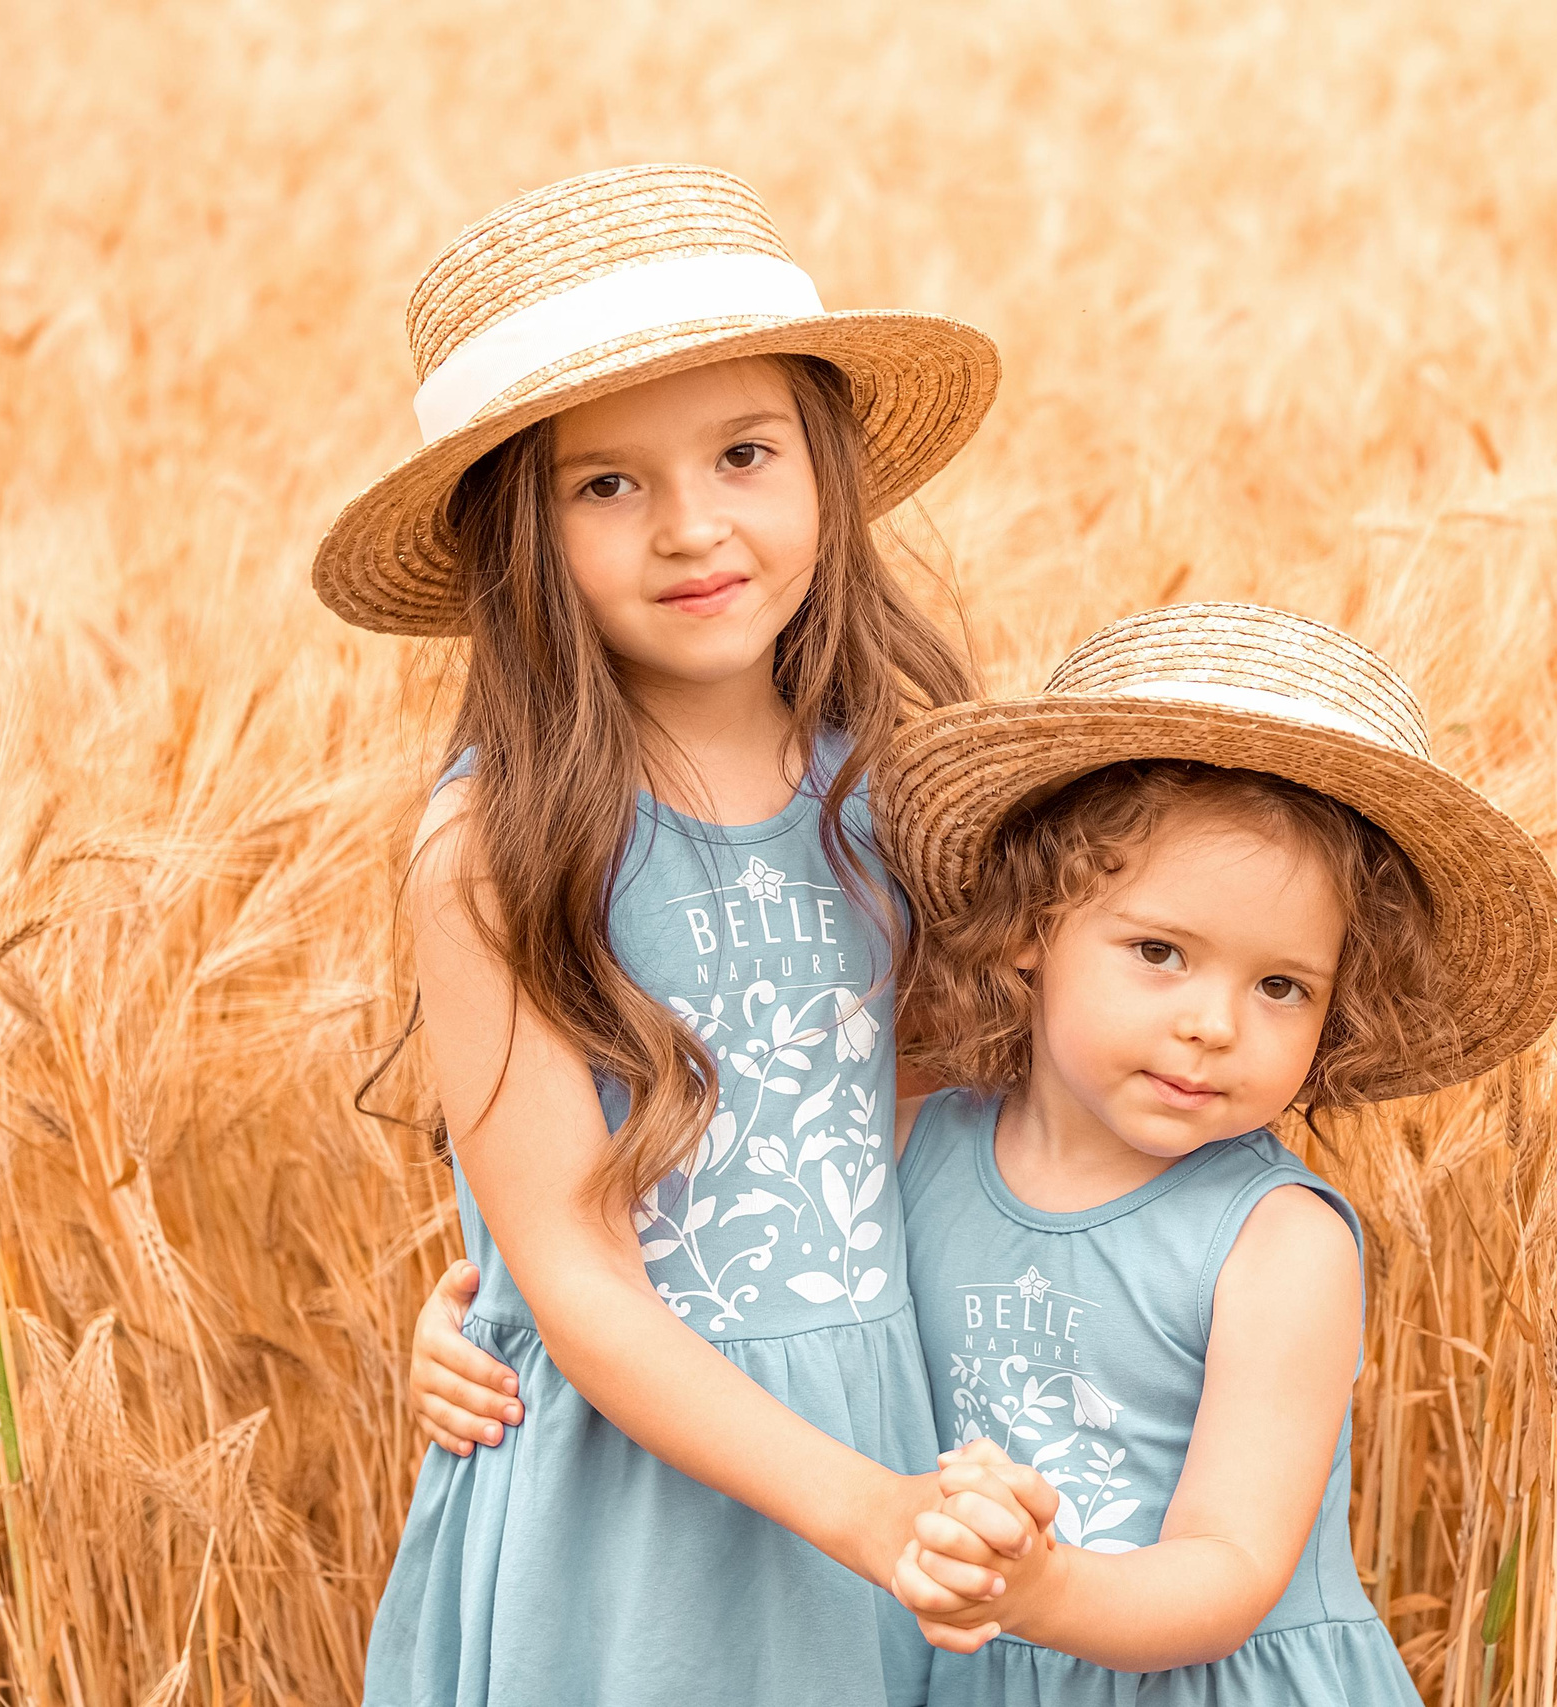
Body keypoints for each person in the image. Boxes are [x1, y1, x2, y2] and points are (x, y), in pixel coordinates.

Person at [412, 604, 1557, 1701]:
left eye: (1282, 986)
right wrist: (505, 1319)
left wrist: (1043, 1588)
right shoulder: (920, 1150)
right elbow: (743, 1234)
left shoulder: (1280, 1245)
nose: (1213, 1022)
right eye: (1160, 952)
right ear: (1030, 929)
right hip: (964, 1659)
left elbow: (1228, 1570)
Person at [319, 162, 1050, 1707]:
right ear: (523, 531)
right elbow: (574, 1268)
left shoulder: (910, 789)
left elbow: (997, 1120)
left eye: (743, 452)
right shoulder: (497, 848)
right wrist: (495, 1297)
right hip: (634, 1510)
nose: (691, 527)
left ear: (827, 469)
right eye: (607, 484)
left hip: (896, 1439)